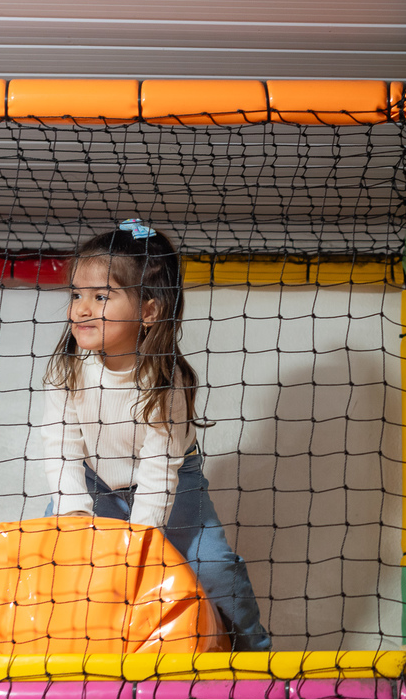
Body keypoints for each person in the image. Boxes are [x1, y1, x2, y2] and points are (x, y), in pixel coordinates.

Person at [39, 218, 271, 652]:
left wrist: (141, 541)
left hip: (173, 484)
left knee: (215, 569)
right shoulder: (66, 371)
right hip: (92, 482)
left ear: (148, 311)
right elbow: (61, 449)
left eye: (100, 296)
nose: (81, 309)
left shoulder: (165, 382)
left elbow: (159, 468)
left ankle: (256, 655)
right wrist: (74, 519)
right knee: (57, 562)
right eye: (76, 294)